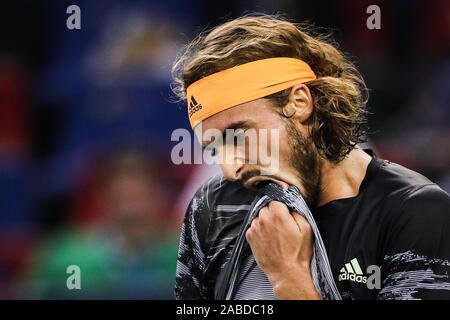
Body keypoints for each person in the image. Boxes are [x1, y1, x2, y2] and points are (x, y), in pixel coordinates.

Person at [171, 15, 450, 300]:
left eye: (240, 136)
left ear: (300, 103)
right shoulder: (213, 209)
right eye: (217, 148)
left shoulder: (416, 213)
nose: (232, 168)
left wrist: (287, 276)